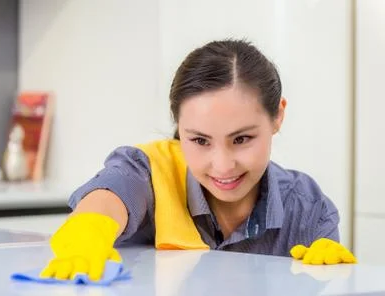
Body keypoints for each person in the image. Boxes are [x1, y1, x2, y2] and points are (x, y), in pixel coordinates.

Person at [40, 39, 356, 281]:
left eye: (242, 139)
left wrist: (333, 280)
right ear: (179, 126)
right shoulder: (151, 172)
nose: (222, 165)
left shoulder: (307, 208)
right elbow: (109, 197)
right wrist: (90, 228)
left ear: (278, 116)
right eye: (200, 140)